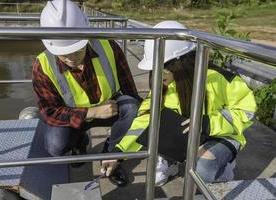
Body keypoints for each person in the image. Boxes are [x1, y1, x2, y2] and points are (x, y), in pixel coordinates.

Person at [100, 20, 257, 186]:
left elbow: (247, 112)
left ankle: (224, 166)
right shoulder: (163, 83)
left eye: (164, 66)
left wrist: (208, 123)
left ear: (181, 61)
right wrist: (119, 152)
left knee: (203, 169)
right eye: (154, 68)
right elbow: (145, 120)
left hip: (219, 135)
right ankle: (170, 161)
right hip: (185, 134)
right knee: (156, 131)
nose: (158, 74)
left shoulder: (219, 79)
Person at [32, 0, 141, 187]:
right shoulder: (42, 66)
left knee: (131, 107)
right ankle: (79, 143)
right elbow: (48, 112)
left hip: (110, 107)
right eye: (64, 53)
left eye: (76, 50)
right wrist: (91, 113)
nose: (71, 58)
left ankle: (111, 157)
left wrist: (122, 147)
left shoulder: (109, 47)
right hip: (74, 117)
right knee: (54, 145)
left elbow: (130, 90)